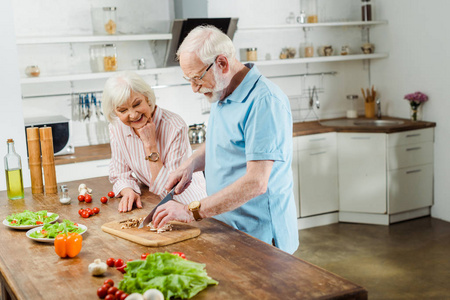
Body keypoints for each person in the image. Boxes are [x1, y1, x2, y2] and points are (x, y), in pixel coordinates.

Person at [152, 25, 299, 254]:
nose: (194, 88)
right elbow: (222, 142)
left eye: (197, 78)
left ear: (222, 63)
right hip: (229, 227)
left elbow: (256, 182)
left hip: (262, 238)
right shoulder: (222, 91)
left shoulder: (264, 102)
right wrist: (190, 164)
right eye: (188, 79)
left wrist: (191, 211)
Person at [102, 71, 207, 212]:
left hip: (190, 205)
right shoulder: (117, 127)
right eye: (123, 110)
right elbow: (120, 173)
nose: (133, 114)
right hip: (155, 203)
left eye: (137, 104)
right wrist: (128, 190)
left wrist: (150, 145)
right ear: (115, 112)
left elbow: (170, 188)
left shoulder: (174, 126)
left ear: (147, 98)